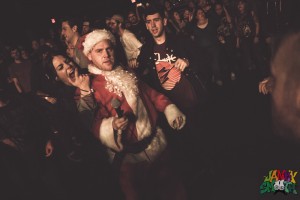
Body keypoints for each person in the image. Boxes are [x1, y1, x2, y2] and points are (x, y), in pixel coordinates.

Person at [82, 29, 187, 200]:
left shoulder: (126, 72)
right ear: (89, 56)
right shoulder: (89, 87)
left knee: (174, 191)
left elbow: (151, 94)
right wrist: (111, 126)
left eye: (109, 49)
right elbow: (92, 123)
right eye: (99, 51)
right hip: (131, 161)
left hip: (158, 146)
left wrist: (169, 109)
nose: (106, 54)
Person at [137, 5, 207, 117]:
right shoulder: (146, 50)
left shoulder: (180, 40)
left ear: (164, 21)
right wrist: (133, 64)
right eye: (149, 22)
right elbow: (140, 74)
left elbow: (203, 60)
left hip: (193, 101)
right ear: (146, 26)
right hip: (172, 108)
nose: (153, 25)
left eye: (156, 20)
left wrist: (187, 62)